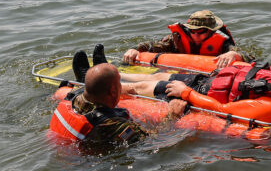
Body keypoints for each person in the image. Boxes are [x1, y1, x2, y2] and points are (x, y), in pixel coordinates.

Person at [114, 62, 271, 123]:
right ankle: (112, 72)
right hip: (211, 81)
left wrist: (186, 93)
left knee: (142, 88)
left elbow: (222, 109)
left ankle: (105, 85)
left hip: (199, 93)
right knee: (156, 76)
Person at [51, 57, 186, 147]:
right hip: (88, 165)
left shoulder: (74, 97)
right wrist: (172, 115)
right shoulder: (115, 125)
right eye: (120, 85)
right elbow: (151, 140)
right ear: (112, 92)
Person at [122, 10, 253, 69]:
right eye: (192, 31)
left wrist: (234, 54)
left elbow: (248, 56)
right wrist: (134, 49)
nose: (195, 35)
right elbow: (151, 45)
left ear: (211, 31)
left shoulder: (223, 42)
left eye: (201, 32)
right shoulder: (177, 39)